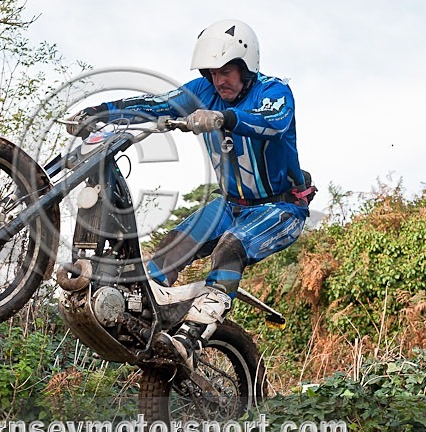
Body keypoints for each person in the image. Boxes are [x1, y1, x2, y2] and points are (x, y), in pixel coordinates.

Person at [65, 19, 315, 366]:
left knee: (229, 249)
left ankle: (192, 338)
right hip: (230, 205)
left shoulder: (274, 91)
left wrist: (222, 118)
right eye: (212, 72)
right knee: (171, 246)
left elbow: (270, 121)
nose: (218, 80)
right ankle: (145, 316)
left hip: (279, 209)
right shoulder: (204, 90)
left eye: (226, 71)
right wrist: (104, 111)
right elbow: (156, 104)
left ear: (246, 66)